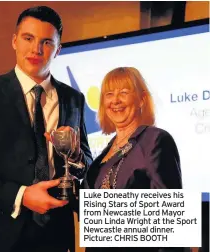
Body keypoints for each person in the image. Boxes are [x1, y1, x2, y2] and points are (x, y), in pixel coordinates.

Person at [0, 6, 92, 252]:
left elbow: (86, 161)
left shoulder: (73, 98)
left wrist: (77, 157)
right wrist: (21, 195)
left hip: (55, 236)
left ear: (58, 50)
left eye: (46, 42)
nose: (36, 49)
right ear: (15, 41)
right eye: (28, 38)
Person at [85, 67, 183, 252]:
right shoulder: (106, 151)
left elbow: (170, 221)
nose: (115, 100)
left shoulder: (155, 140)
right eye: (109, 94)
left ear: (142, 99)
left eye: (124, 92)